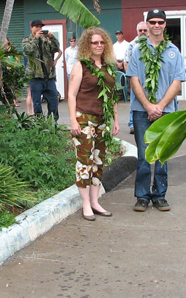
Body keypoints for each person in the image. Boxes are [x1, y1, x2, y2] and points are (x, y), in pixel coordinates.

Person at [127, 9, 186, 212]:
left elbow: (177, 82)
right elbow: (134, 80)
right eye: (152, 22)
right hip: (141, 110)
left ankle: (159, 195)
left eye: (160, 22)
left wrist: (159, 106)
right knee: (144, 155)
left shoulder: (173, 51)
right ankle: (142, 196)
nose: (156, 25)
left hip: (166, 111)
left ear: (165, 25)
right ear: (147, 24)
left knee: (162, 154)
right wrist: (148, 106)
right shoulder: (137, 50)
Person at [68, 27, 119, 221]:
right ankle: (86, 204)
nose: (98, 45)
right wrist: (73, 120)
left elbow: (113, 95)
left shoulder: (108, 66)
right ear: (87, 45)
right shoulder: (81, 65)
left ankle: (96, 201)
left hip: (102, 120)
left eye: (101, 42)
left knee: (98, 161)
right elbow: (72, 95)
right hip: (84, 118)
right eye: (94, 42)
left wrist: (115, 119)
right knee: (84, 162)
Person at [22, 19, 61, 121]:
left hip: (49, 77)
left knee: (54, 101)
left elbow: (56, 48)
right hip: (35, 77)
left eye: (41, 27)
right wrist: (36, 38)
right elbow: (27, 50)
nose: (39, 29)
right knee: (37, 103)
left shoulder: (47, 40)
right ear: (32, 28)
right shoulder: (27, 40)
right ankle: (39, 124)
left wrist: (52, 38)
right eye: (37, 27)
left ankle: (52, 122)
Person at [124, 21, 149, 134]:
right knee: (134, 101)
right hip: (136, 80)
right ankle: (132, 123)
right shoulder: (132, 45)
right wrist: (133, 78)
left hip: (149, 80)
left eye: (145, 30)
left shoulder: (152, 44)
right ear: (137, 31)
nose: (143, 32)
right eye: (140, 30)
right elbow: (126, 62)